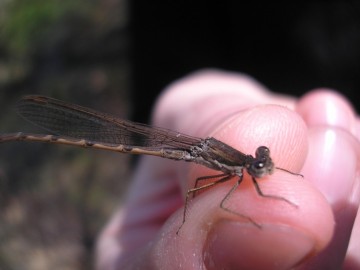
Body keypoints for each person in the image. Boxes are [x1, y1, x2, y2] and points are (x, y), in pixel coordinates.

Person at [96, 70, 360, 270]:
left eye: (262, 163)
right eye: (261, 166)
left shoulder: (244, 163)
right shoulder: (237, 167)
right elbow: (229, 201)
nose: (264, 168)